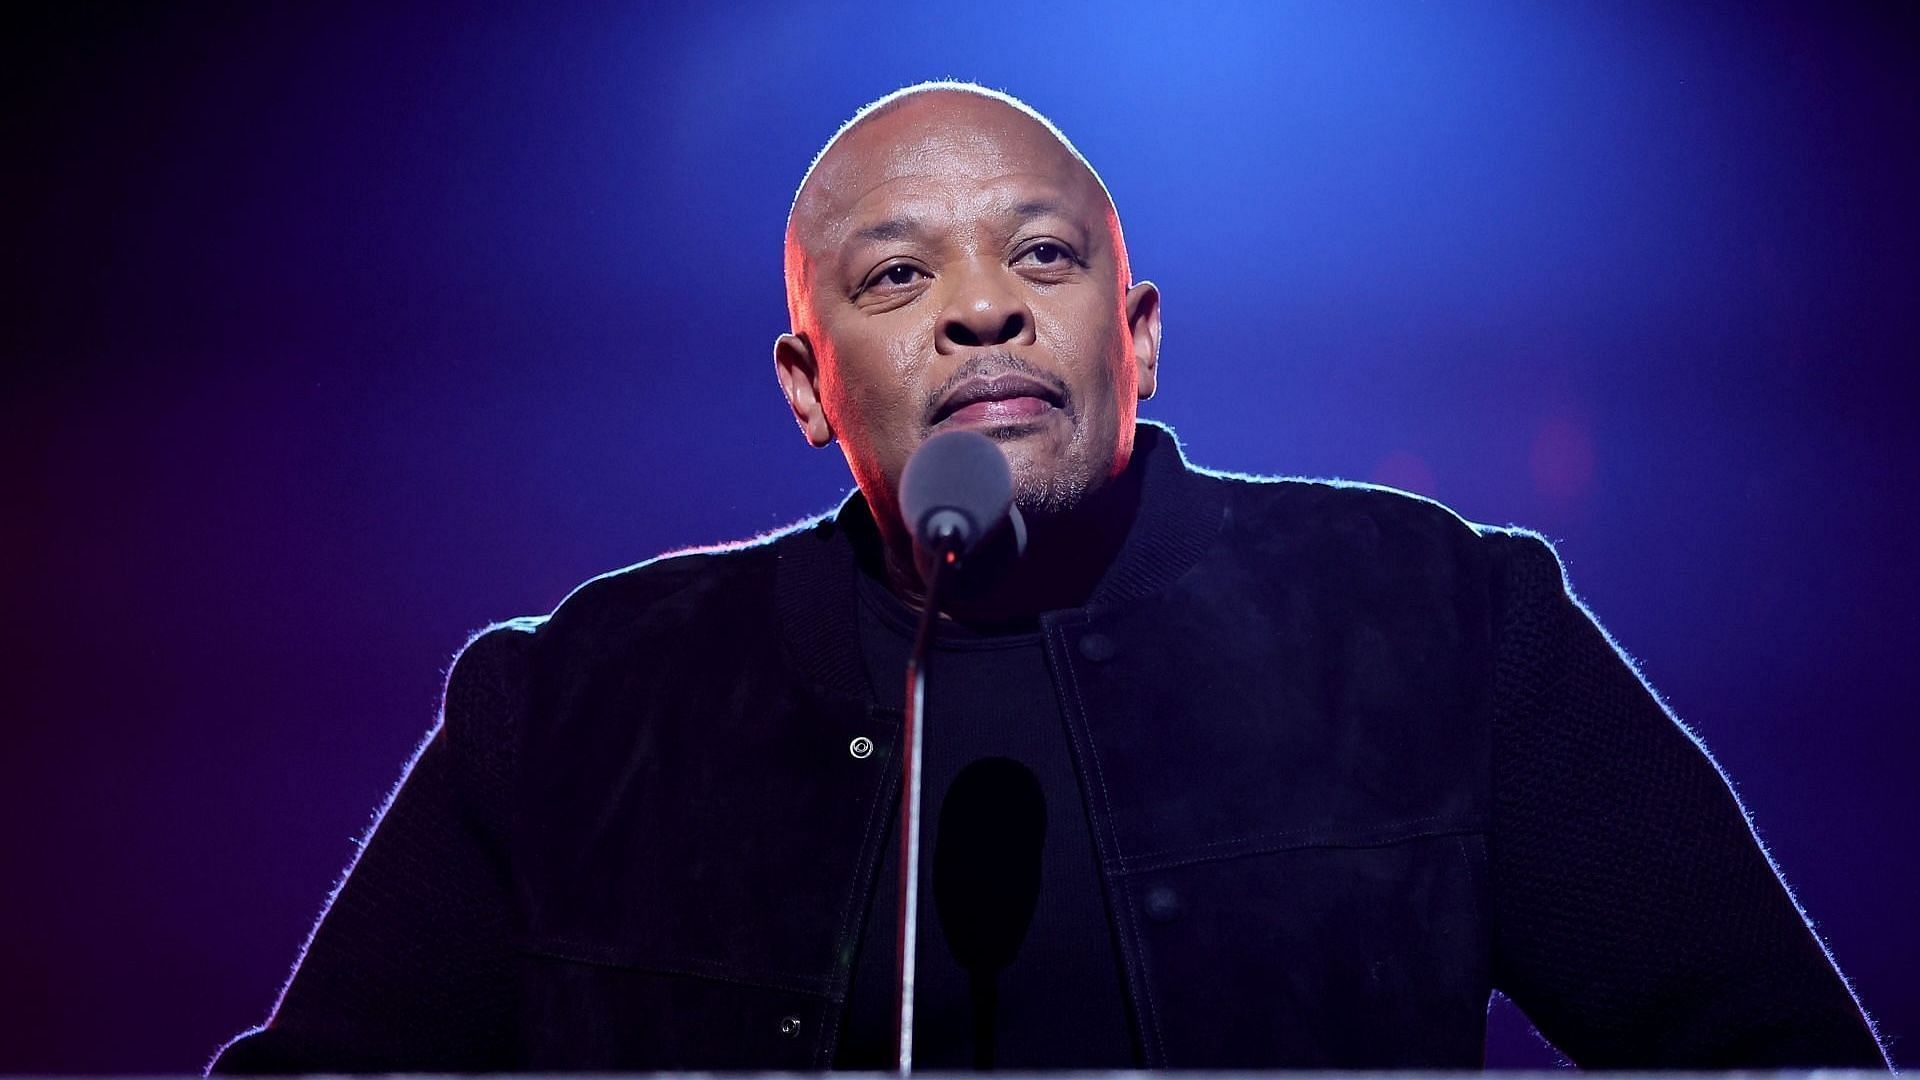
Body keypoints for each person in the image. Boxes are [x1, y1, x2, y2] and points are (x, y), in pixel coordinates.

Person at [210, 81, 1889, 1071]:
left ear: (1135, 335)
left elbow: (1775, 1060)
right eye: (893, 274)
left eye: (1041, 254)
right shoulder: (575, 703)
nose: (982, 307)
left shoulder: (1443, 618)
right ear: (807, 385)